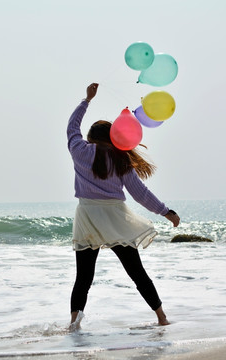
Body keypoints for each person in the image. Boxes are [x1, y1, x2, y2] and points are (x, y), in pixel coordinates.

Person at [67, 83, 180, 331]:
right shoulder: (120, 160)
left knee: (83, 277)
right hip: (115, 218)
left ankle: (74, 324)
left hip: (87, 217)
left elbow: (71, 128)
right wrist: (165, 211)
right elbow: (140, 193)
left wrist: (86, 100)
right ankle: (161, 317)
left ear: (90, 139)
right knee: (136, 272)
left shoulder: (78, 151)